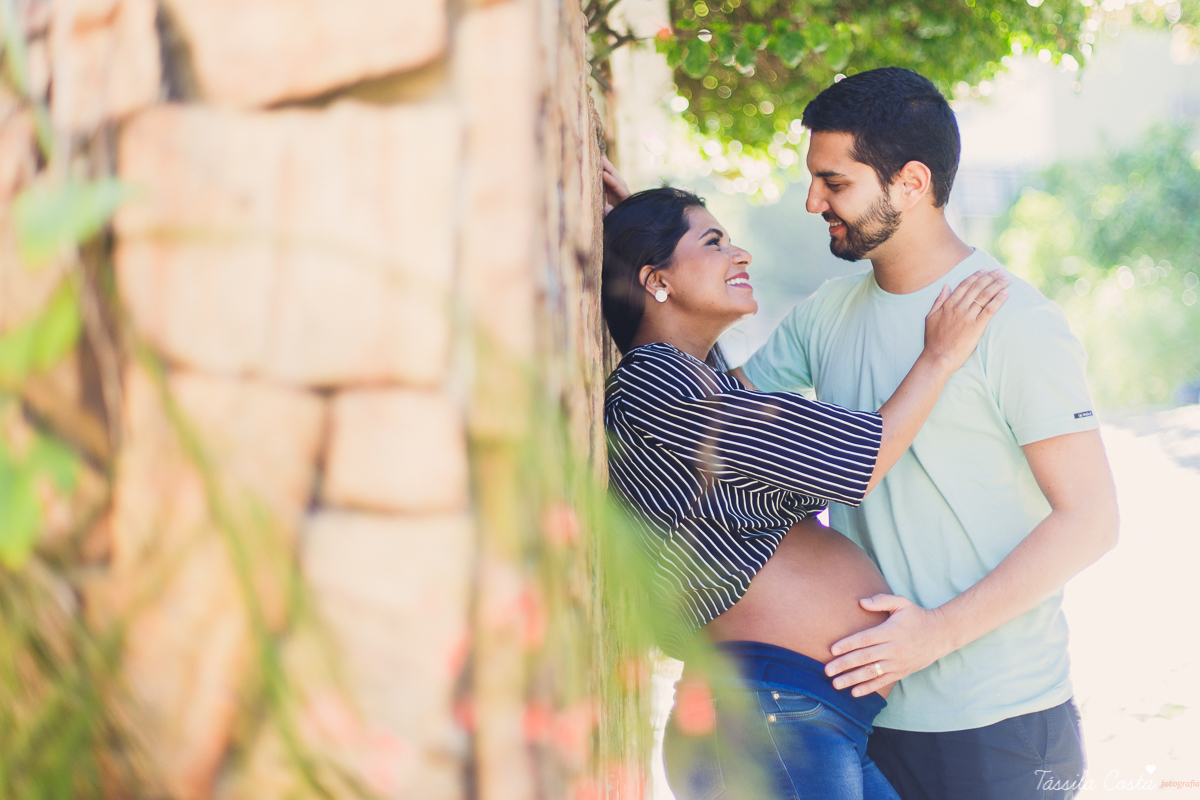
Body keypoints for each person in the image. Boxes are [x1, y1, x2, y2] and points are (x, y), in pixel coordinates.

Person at [723, 68, 1120, 800]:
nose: (813, 202)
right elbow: (715, 421)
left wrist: (934, 634)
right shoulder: (826, 312)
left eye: (834, 183)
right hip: (861, 711)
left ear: (910, 182)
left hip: (1000, 724)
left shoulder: (1016, 322)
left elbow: (1091, 520)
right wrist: (649, 249)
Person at [600, 182, 1009, 799]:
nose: (742, 255)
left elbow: (681, 326)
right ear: (656, 279)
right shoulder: (654, 383)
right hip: (763, 716)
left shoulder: (691, 379)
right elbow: (858, 458)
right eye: (716, 243)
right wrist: (939, 357)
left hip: (789, 718)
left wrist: (640, 223)